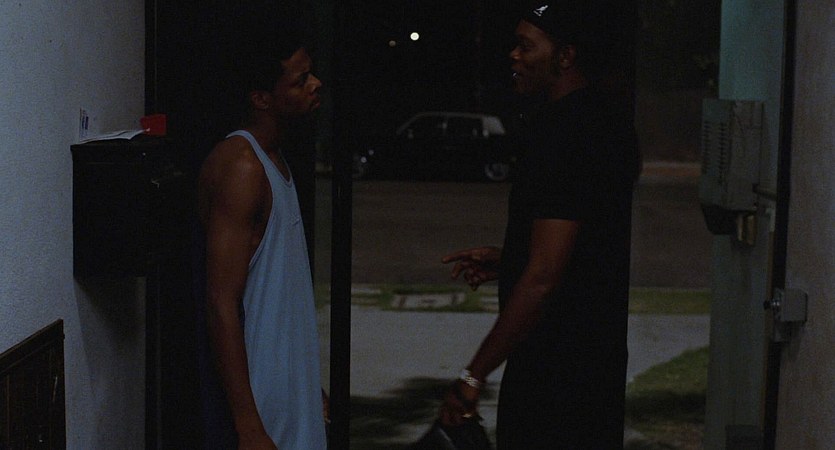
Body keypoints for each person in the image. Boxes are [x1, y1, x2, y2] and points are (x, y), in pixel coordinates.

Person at [439, 2, 640, 448]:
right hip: (597, 371)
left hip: (554, 377)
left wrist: (473, 375)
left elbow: (545, 276)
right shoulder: (608, 122)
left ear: (565, 56)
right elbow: (585, 247)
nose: (513, 55)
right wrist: (510, 260)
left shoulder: (562, 134)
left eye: (526, 46)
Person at [197, 25, 327, 450]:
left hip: (285, 391)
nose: (315, 84)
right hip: (259, 404)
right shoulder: (242, 167)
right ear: (261, 98)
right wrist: (248, 426)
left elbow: (279, 290)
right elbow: (220, 302)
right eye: (300, 80)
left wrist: (306, 384)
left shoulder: (273, 159)